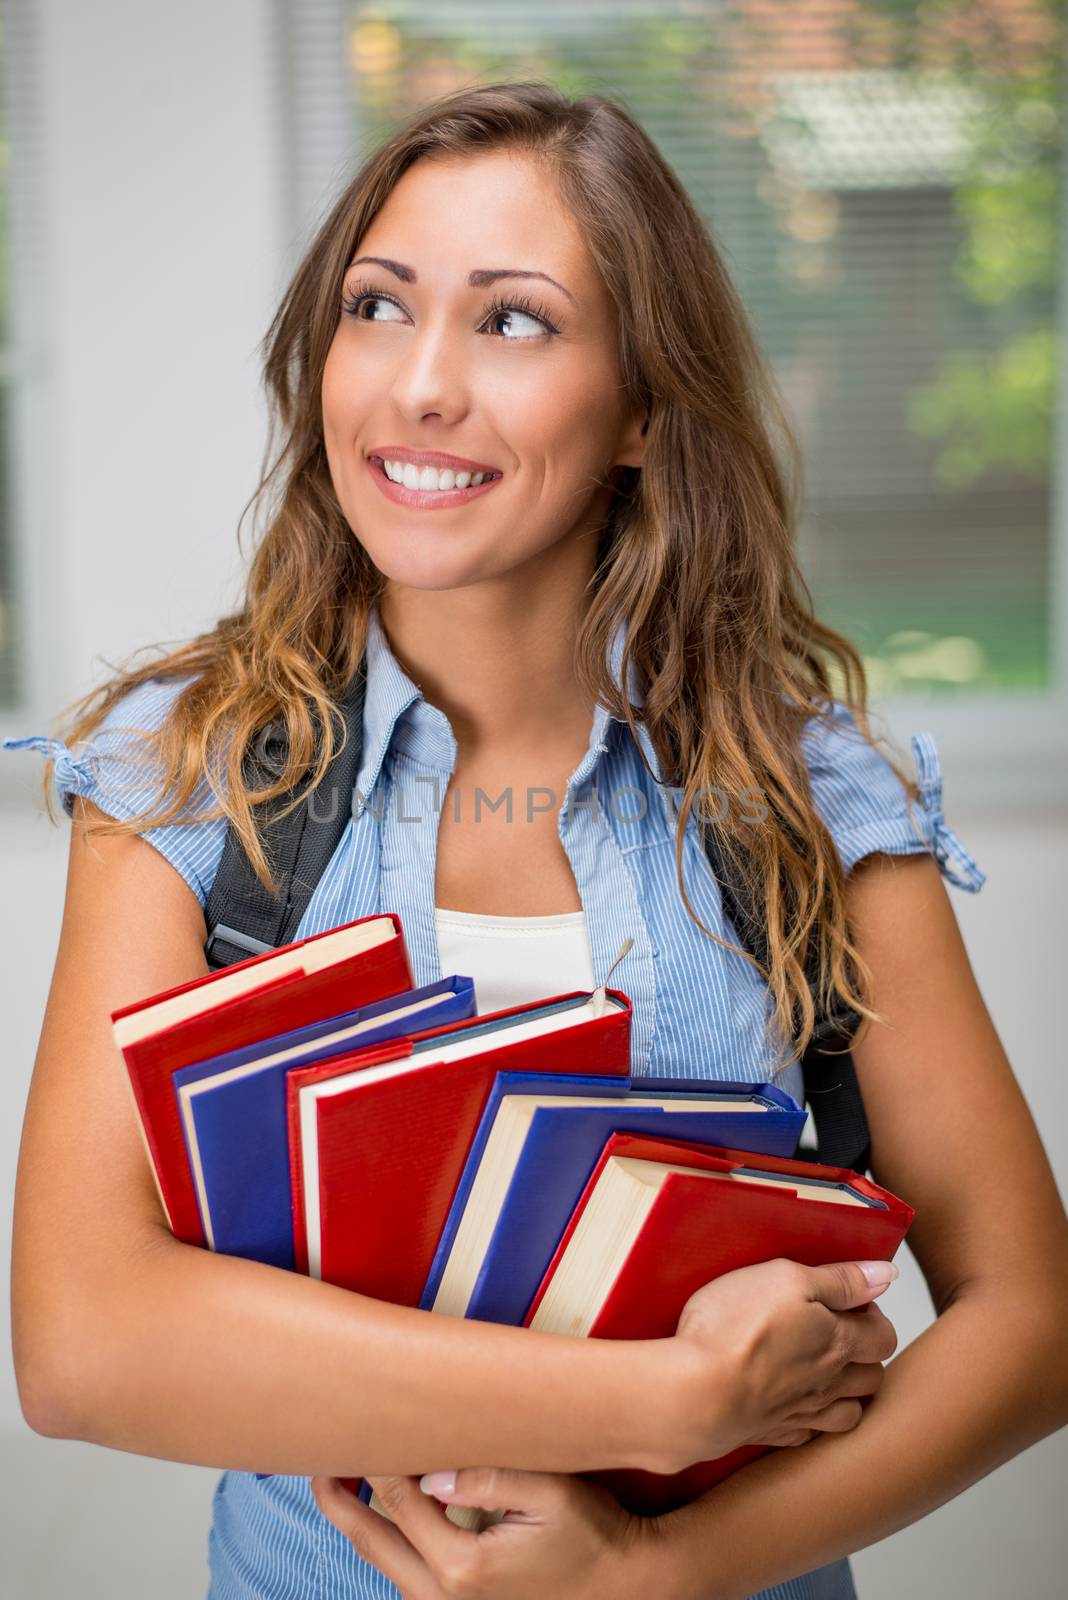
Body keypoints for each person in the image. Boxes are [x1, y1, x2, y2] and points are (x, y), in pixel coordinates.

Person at [5, 79, 1067, 1600]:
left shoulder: (811, 803)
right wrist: (663, 1401)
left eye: (513, 322)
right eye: (380, 307)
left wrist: (656, 1573)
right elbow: (85, 1344)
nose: (421, 386)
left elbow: (1032, 1321)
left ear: (642, 406)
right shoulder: (190, 782)